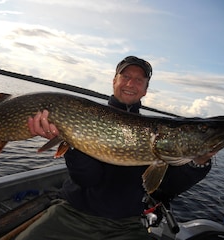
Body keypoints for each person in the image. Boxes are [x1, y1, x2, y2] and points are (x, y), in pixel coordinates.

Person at [16, 56, 211, 240]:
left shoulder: (156, 135)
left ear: (145, 90)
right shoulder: (85, 116)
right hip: (73, 212)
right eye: (125, 77)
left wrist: (199, 163)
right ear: (114, 81)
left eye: (138, 80)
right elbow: (86, 178)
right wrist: (73, 140)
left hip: (126, 225)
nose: (130, 84)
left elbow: (165, 189)